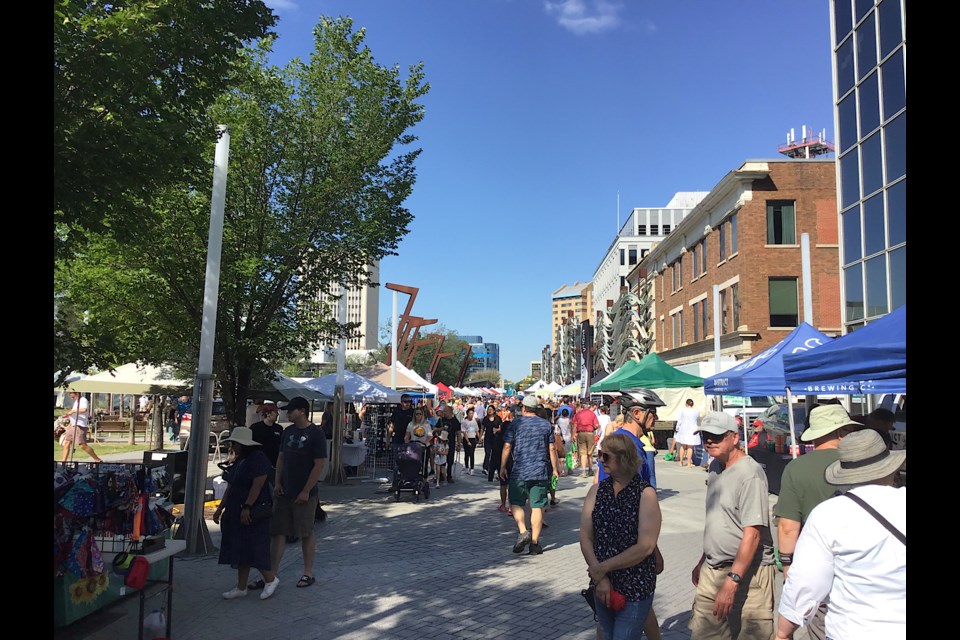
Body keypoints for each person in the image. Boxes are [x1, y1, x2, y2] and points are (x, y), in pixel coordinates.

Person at [776, 430, 906, 639]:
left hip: (854, 630)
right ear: (890, 468)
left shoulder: (828, 514)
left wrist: (783, 632)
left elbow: (806, 584)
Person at [689, 412, 776, 640]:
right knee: (703, 633)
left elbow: (753, 535)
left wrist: (732, 581)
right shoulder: (716, 468)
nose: (709, 441)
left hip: (750, 573)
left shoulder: (750, 474)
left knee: (752, 634)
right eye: (705, 436)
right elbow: (720, 520)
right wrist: (703, 559)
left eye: (716, 437)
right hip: (713, 569)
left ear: (734, 438)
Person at [775, 404, 858, 639]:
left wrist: (788, 569)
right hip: (861, 568)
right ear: (841, 433)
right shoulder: (861, 464)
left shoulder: (796, 468)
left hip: (816, 570)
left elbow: (788, 527)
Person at [595, 389, 666, 640]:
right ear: (637, 413)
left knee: (622, 613)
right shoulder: (625, 447)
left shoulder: (633, 442)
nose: (654, 419)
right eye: (652, 413)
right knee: (614, 615)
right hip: (623, 552)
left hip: (631, 550)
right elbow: (607, 499)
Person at [580, 432, 661, 640]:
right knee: (606, 635)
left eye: (605, 456)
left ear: (623, 459)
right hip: (602, 584)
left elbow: (646, 547)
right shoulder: (596, 491)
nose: (600, 460)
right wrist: (600, 577)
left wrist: (602, 569)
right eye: (599, 454)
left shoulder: (645, 494)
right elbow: (585, 536)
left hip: (635, 583)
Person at [213, 427, 280, 600]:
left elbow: (257, 485)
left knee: (254, 548)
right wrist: (221, 508)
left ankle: (270, 579)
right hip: (236, 509)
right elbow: (231, 487)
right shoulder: (239, 461)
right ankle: (241, 587)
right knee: (240, 549)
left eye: (235, 443)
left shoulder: (258, 459)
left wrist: (247, 507)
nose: (233, 446)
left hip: (253, 512)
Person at [270, 396, 327, 589]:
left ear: (302, 411)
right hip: (285, 491)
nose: (288, 413)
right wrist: (277, 482)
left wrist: (306, 490)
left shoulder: (316, 434)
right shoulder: (287, 432)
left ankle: (307, 573)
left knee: (306, 532)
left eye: (291, 410)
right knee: (278, 531)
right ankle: (272, 574)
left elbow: (319, 464)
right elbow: (281, 459)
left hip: (305, 494)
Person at [500, 394, 560, 555]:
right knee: (537, 506)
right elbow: (552, 449)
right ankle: (534, 543)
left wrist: (502, 466)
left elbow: (507, 446)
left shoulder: (515, 424)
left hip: (519, 470)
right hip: (540, 471)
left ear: (523, 408)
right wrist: (555, 469)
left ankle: (522, 531)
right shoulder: (546, 425)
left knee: (516, 503)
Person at [61, 391, 103, 463]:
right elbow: (74, 415)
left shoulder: (83, 400)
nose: (70, 396)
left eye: (71, 394)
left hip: (80, 426)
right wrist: (70, 424)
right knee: (67, 443)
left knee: (82, 445)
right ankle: (63, 462)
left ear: (76, 393)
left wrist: (73, 411)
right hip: (73, 425)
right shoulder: (76, 402)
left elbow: (84, 409)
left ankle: (97, 459)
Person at [387, 394, 414, 484]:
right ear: (401, 402)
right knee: (397, 463)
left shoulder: (413, 412)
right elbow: (391, 426)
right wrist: (388, 439)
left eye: (409, 401)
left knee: (409, 461)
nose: (408, 404)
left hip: (410, 440)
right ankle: (395, 483)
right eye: (405, 402)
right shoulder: (396, 412)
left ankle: (409, 481)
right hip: (397, 439)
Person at [249, 402, 283, 469]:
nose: (278, 414)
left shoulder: (279, 428)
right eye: (275, 412)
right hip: (259, 463)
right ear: (268, 413)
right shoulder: (255, 428)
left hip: (275, 463)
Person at [434, 405, 462, 484]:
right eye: (444, 411)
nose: (444, 413)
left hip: (451, 442)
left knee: (450, 460)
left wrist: (459, 444)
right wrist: (441, 429)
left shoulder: (455, 421)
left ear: (450, 412)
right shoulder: (441, 420)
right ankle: (441, 476)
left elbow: (458, 433)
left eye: (446, 411)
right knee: (441, 460)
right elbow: (435, 429)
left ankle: (449, 476)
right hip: (441, 442)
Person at [573, 401, 601, 476]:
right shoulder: (592, 414)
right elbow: (597, 425)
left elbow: (575, 426)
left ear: (582, 407)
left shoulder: (578, 414)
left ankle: (583, 472)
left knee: (583, 453)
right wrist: (594, 430)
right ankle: (590, 470)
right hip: (590, 433)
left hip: (581, 433)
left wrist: (573, 435)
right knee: (590, 453)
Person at [404, 407, 433, 477]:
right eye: (417, 414)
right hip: (414, 446)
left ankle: (424, 479)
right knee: (413, 463)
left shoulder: (426, 424)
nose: (418, 415)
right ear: (414, 415)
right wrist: (406, 441)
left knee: (424, 464)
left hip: (424, 447)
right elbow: (407, 435)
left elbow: (430, 435)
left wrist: (426, 441)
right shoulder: (411, 424)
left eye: (420, 414)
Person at [674, 398, 701, 467]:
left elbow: (679, 420)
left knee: (683, 446)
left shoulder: (682, 410)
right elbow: (698, 420)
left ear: (686, 404)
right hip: (692, 429)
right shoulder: (696, 411)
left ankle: (681, 461)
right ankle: (689, 463)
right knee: (690, 447)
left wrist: (677, 428)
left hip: (683, 429)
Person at [480, 406, 501, 477]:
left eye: (491, 410)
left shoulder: (498, 418)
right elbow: (482, 428)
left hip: (496, 438)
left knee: (495, 454)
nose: (489, 411)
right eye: (488, 410)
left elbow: (501, 428)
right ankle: (485, 468)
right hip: (487, 438)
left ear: (494, 410)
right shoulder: (485, 419)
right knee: (487, 453)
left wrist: (497, 430)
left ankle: (496, 469)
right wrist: (480, 437)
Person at [460, 407, 480, 475]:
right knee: (467, 453)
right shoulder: (464, 422)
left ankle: (472, 468)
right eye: (470, 413)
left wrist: (479, 438)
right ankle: (466, 467)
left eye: (472, 413)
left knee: (472, 454)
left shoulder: (474, 421)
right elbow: (464, 432)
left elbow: (477, 430)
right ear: (467, 414)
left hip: (473, 438)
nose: (471, 415)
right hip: (466, 439)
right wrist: (467, 441)